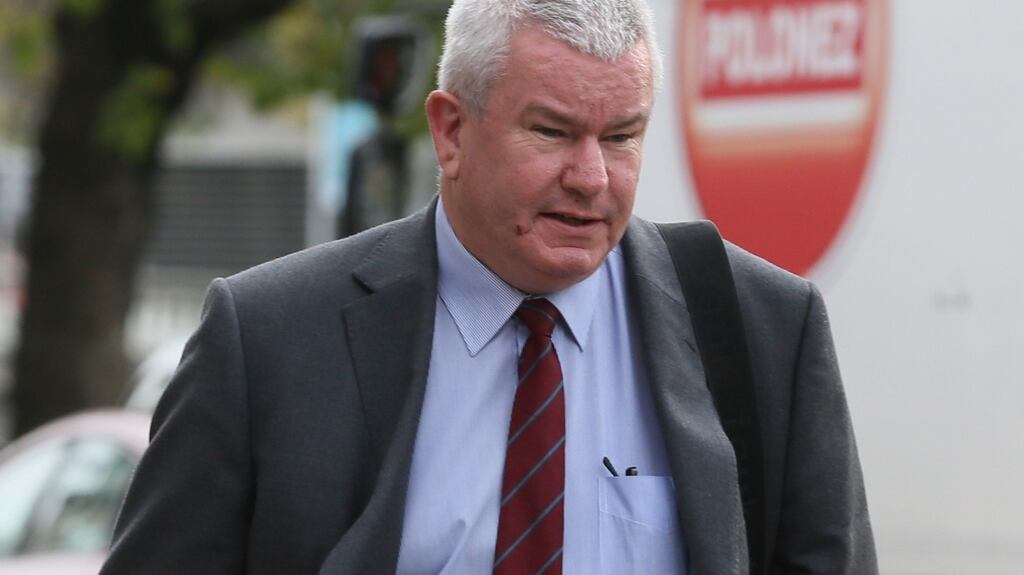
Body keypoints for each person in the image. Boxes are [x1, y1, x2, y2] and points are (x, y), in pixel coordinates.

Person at [101, 0, 877, 573]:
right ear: (451, 131)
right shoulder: (270, 335)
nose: (592, 177)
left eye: (621, 136)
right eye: (551, 131)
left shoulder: (763, 328)